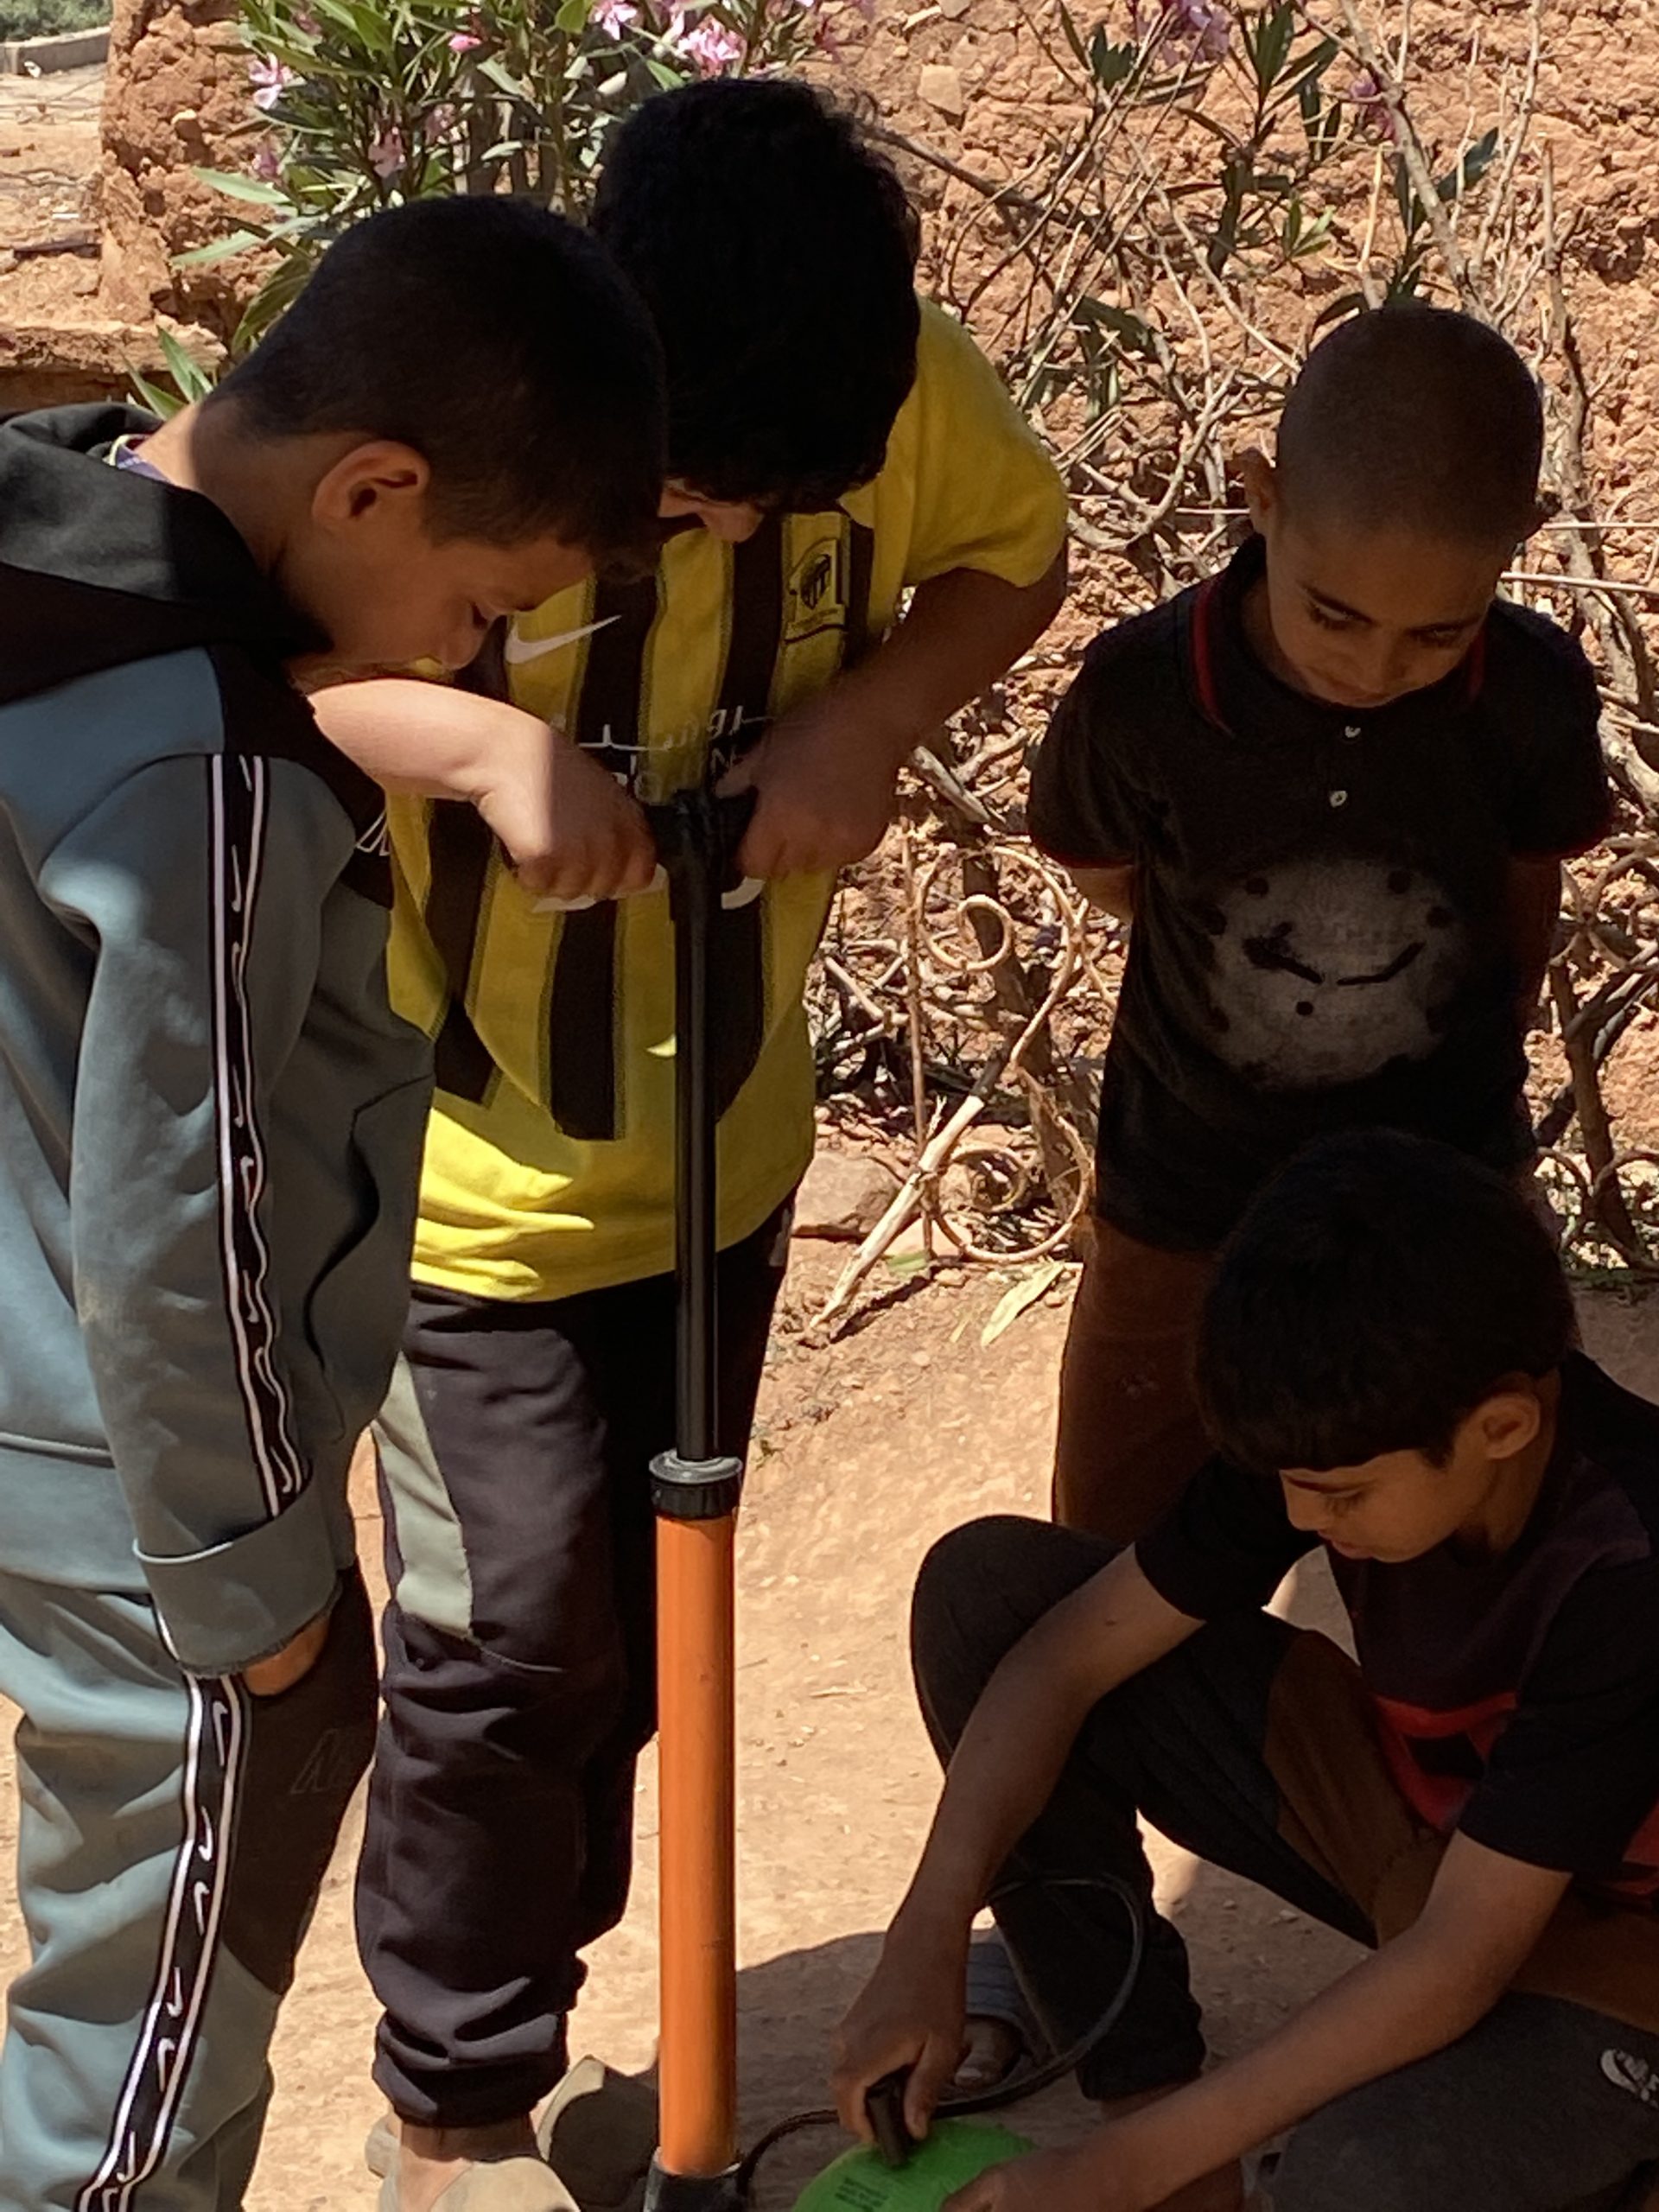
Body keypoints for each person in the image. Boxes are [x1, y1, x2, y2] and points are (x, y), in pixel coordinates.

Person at [311, 77, 1068, 2212]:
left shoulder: (870, 375)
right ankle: (452, 2109)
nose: (732, 532)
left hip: (720, 1158)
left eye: (776, 502)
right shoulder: (452, 414)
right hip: (467, 1190)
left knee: (645, 1636)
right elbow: (236, 668)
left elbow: (1015, 551)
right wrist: (470, 740)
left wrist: (867, 714)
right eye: (695, 494)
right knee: (502, 1643)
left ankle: (619, 2070)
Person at [0, 194, 663, 2212]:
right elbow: (178, 1213)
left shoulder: (45, 578)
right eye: (479, 602)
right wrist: (256, 1593)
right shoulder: (203, 755)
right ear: (373, 482)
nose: (465, 656)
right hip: (148, 1503)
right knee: (145, 2035)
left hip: (30, 1425)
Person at [835, 1129, 1659, 2212]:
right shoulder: (1332, 1434)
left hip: (1622, 1953)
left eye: (1343, 1497)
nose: (1304, 1520)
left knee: (1354, 2180)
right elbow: (1060, 1659)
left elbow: (1461, 1954)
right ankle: (1159, 2122)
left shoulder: (1628, 1562)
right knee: (990, 1593)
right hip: (1451, 1845)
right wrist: (925, 1935)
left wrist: (1113, 2176)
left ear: (1501, 1424)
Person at [1027, 304, 1611, 1549]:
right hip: (1188, 1184)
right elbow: (1111, 873)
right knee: (1121, 1535)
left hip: (1450, 1171)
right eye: (1335, 615)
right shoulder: (1141, 699)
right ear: (1261, 498)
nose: (1376, 664)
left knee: (1503, 1518)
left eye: (1436, 631)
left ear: (1525, 545)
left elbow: (1526, 893)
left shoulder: (1531, 694)